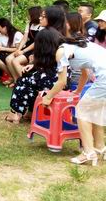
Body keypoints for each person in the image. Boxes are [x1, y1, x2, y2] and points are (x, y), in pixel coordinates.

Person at [43, 33, 106, 165]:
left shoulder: (61, 51)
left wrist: (48, 97)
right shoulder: (76, 45)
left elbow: (62, 82)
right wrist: (78, 91)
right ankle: (100, 148)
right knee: (96, 112)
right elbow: (85, 73)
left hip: (104, 78)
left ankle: (88, 152)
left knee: (82, 112)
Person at [5, 28, 62, 123]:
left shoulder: (46, 54)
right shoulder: (60, 51)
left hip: (52, 86)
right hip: (61, 85)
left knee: (22, 82)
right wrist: (32, 65)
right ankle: (31, 112)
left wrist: (31, 64)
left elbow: (43, 74)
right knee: (31, 84)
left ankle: (15, 113)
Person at [5, 6, 42, 82]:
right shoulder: (29, 24)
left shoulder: (41, 26)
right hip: (27, 46)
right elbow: (24, 38)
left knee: (15, 61)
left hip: (36, 49)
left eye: (28, 14)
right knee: (8, 59)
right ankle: (16, 80)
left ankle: (24, 82)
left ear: (34, 15)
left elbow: (36, 42)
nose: (27, 16)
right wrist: (18, 50)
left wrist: (23, 51)